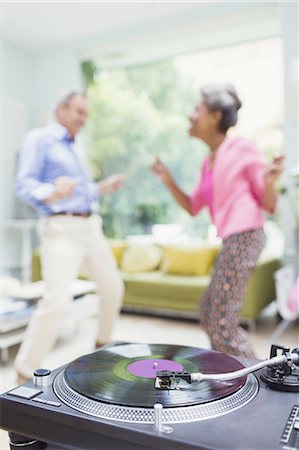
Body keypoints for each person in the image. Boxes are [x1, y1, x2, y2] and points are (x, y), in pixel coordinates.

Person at [151, 84, 284, 358]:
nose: (190, 115)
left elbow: (269, 203)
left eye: (197, 109)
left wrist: (270, 182)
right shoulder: (208, 162)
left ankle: (260, 379)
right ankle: (226, 371)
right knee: (208, 312)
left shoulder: (241, 148)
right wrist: (167, 180)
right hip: (233, 239)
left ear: (214, 116)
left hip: (246, 235)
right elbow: (192, 206)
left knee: (222, 322)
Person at [14, 91, 125, 382]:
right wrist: (49, 192)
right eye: (78, 112)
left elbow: (80, 190)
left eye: (86, 113)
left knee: (113, 288)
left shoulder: (76, 147)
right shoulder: (40, 138)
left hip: (90, 226)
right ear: (60, 110)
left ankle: (103, 348)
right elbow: (24, 183)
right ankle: (24, 372)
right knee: (56, 302)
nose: (83, 119)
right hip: (60, 228)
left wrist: (102, 188)